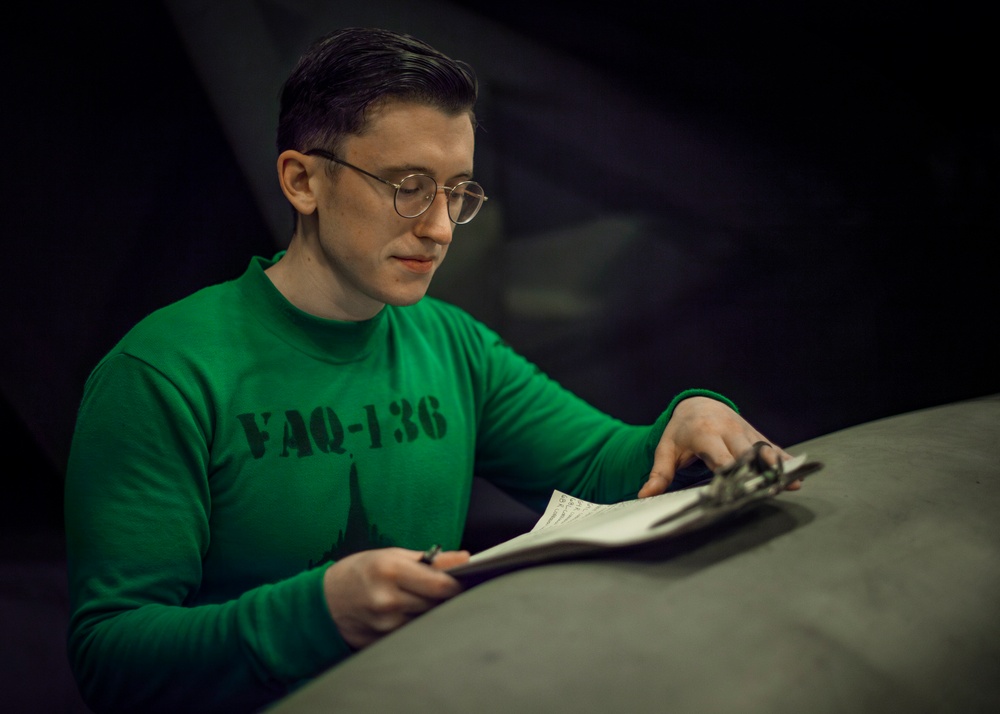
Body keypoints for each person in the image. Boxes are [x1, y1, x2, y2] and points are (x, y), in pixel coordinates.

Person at [64, 27, 797, 713]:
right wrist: (314, 613)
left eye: (457, 191)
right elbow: (112, 657)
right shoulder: (161, 374)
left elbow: (613, 469)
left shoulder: (450, 345)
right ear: (302, 181)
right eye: (408, 186)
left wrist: (689, 419)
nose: (441, 227)